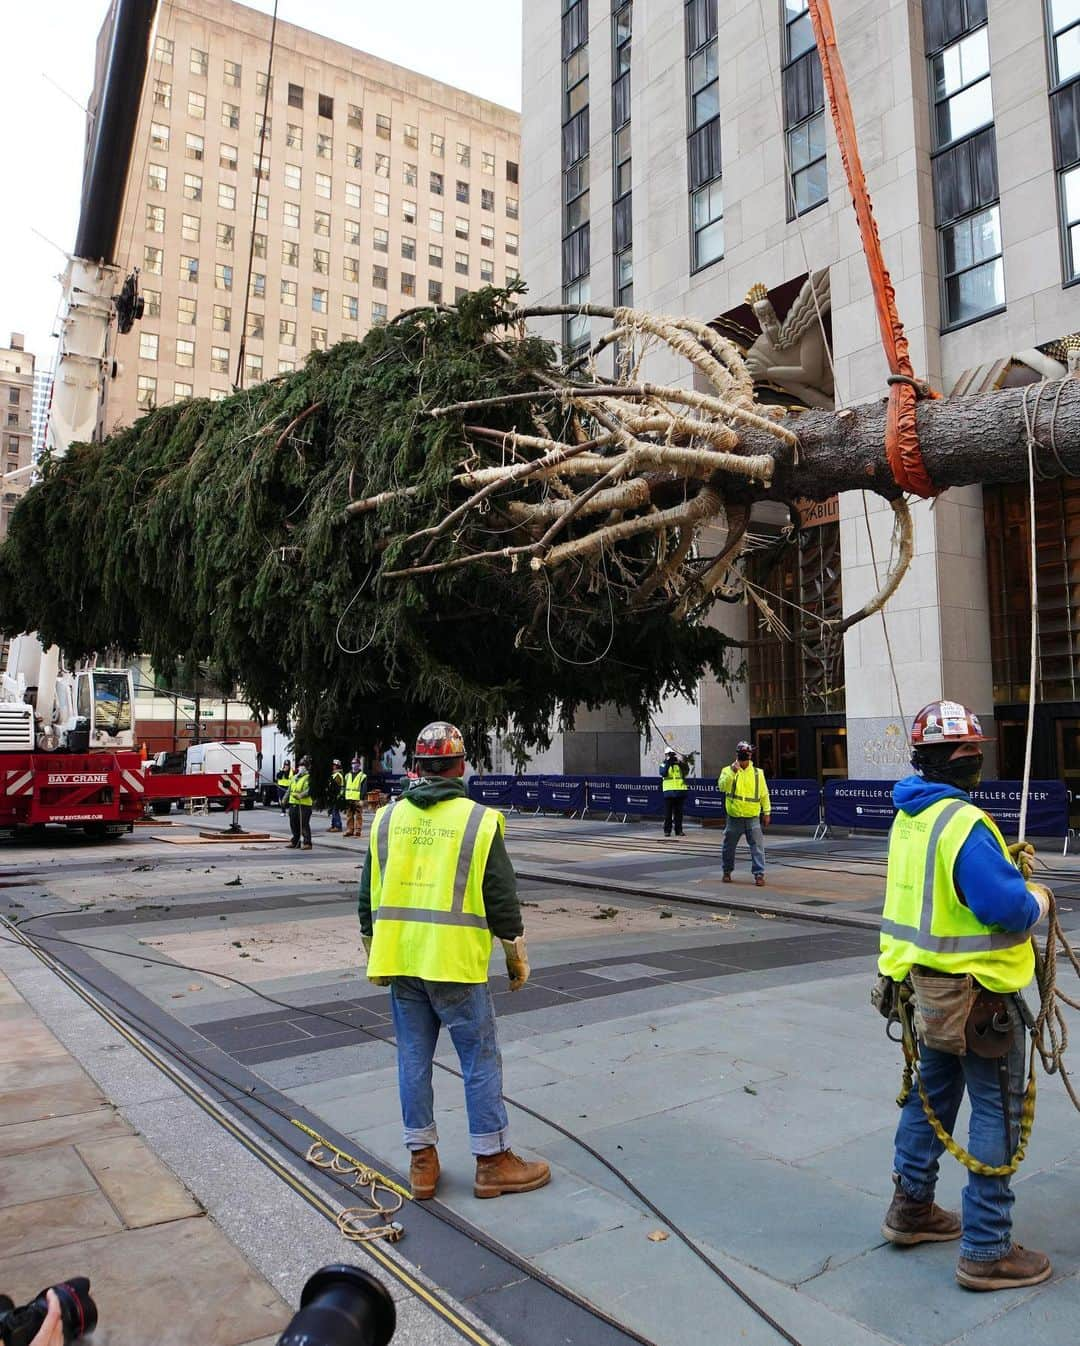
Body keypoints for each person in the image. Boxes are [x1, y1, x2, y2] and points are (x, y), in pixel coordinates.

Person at [878, 700, 1051, 1291]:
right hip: (981, 1001)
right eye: (966, 752)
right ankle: (986, 1247)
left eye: (976, 750)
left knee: (930, 1099)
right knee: (997, 1113)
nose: (974, 760)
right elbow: (1006, 908)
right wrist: (1038, 901)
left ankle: (911, 1209)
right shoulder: (966, 825)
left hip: (924, 994)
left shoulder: (912, 815)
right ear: (941, 759)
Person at [357, 720, 551, 1202]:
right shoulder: (478, 820)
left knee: (412, 1058)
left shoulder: (386, 819)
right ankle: (492, 1161)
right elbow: (502, 900)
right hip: (455, 966)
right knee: (479, 1059)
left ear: (418, 766)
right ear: (461, 766)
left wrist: (374, 950)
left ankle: (421, 1164)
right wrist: (515, 956)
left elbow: (367, 901)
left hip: (402, 962)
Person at [718, 740, 771, 886]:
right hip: (735, 816)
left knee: (757, 847)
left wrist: (767, 812)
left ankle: (759, 874)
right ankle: (727, 871)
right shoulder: (727, 770)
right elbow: (722, 787)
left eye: (748, 753)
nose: (747, 756)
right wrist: (733, 772)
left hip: (752, 816)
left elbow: (764, 794)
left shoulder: (757, 773)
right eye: (744, 753)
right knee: (729, 847)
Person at [659, 747, 690, 838]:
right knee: (668, 814)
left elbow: (686, 771)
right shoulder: (663, 764)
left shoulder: (678, 765)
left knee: (679, 814)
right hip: (669, 792)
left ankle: (679, 830)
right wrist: (668, 763)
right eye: (669, 754)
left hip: (679, 792)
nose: (671, 756)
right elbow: (663, 773)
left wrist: (680, 763)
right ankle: (667, 831)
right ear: (666, 755)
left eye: (672, 754)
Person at [286, 755, 313, 850]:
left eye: (303, 766)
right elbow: (289, 790)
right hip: (293, 804)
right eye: (300, 765)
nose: (300, 767)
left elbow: (310, 790)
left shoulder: (309, 778)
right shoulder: (294, 777)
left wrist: (301, 795)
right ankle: (295, 842)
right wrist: (285, 799)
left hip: (304, 804)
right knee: (294, 824)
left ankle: (307, 843)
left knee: (304, 824)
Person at [344, 756, 367, 837]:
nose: (354, 765)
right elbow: (344, 787)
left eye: (356, 763)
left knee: (358, 815)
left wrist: (362, 799)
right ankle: (350, 830)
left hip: (357, 799)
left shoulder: (362, 776)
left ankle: (357, 830)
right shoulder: (347, 775)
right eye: (353, 763)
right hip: (348, 798)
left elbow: (364, 788)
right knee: (349, 815)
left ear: (359, 765)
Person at [328, 759, 345, 832]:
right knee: (333, 811)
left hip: (336, 796)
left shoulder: (337, 775)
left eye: (334, 765)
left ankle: (338, 826)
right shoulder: (334, 774)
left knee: (335, 811)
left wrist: (335, 795)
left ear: (337, 766)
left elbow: (337, 787)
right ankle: (333, 825)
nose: (333, 766)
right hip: (333, 796)